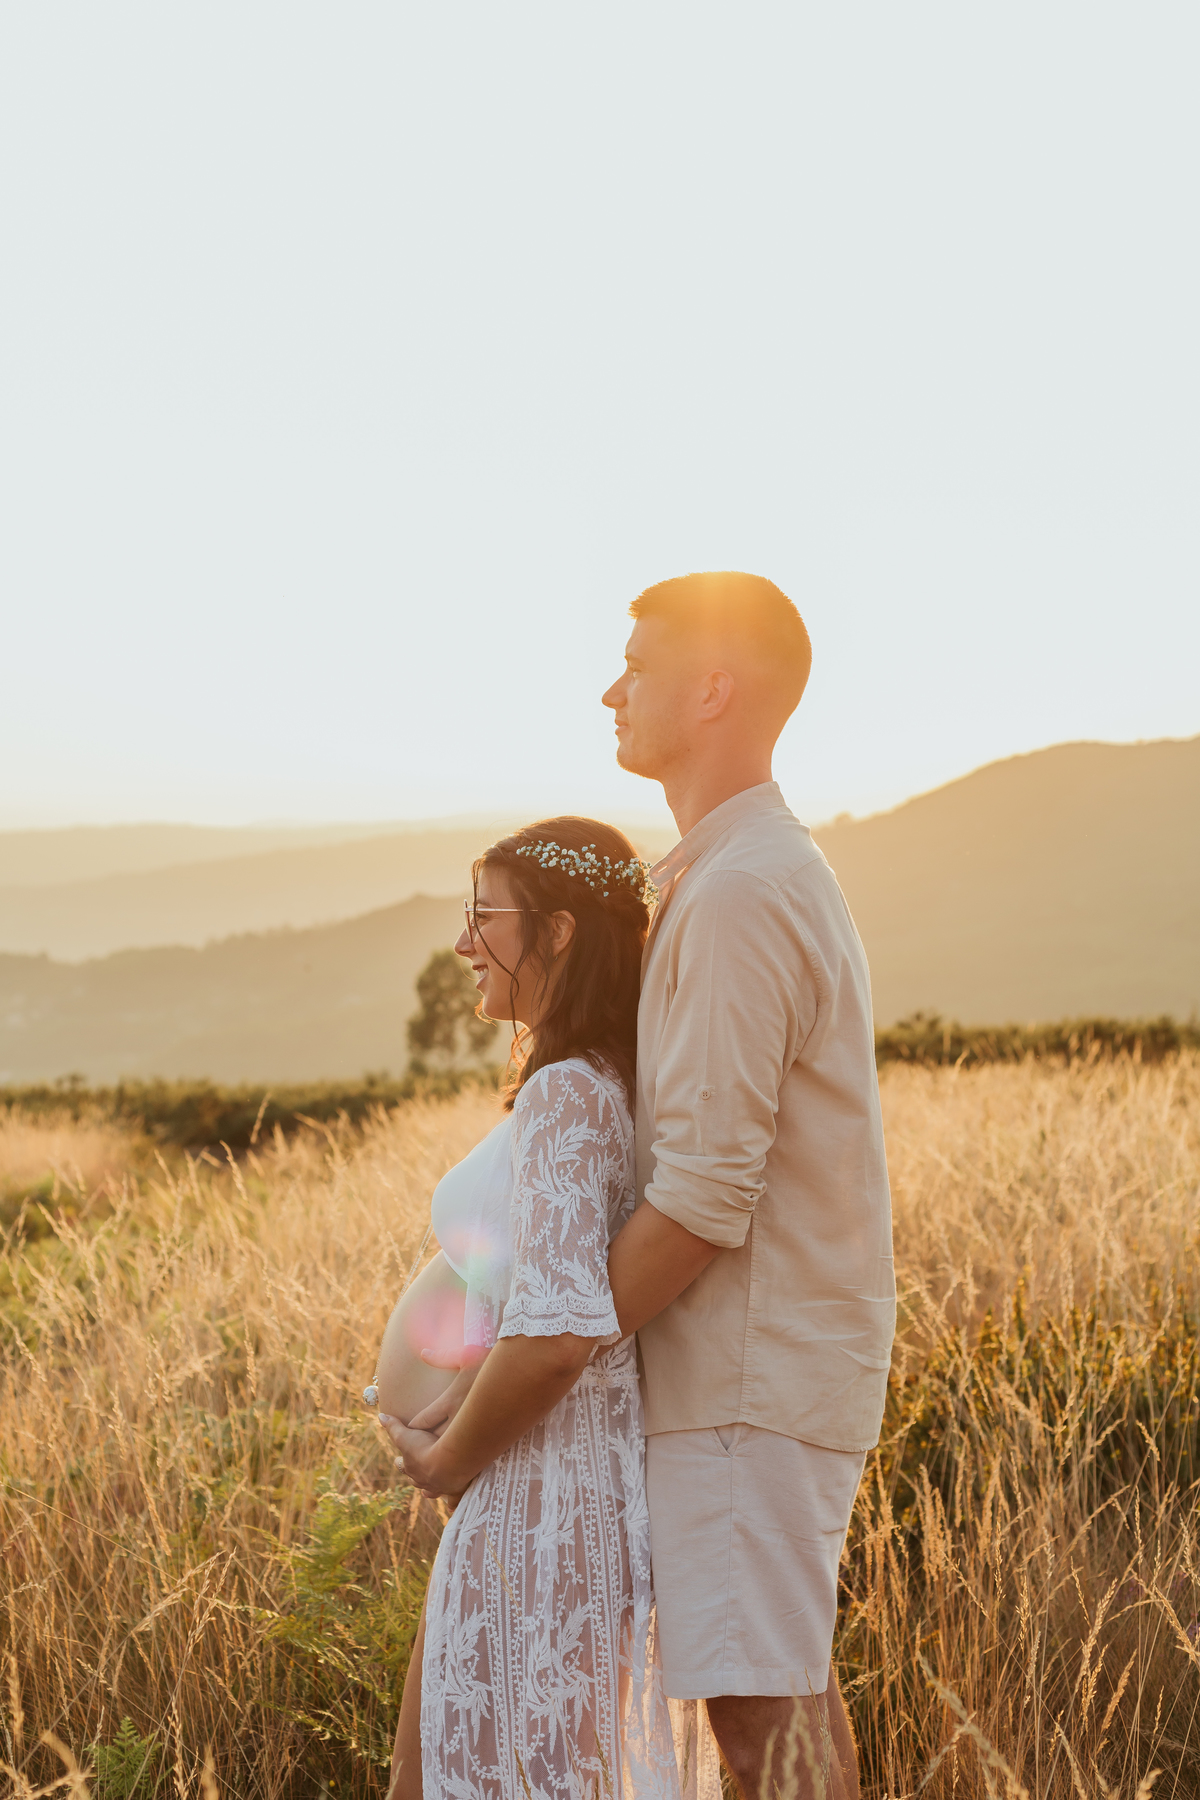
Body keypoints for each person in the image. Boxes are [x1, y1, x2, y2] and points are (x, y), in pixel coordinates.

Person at [599, 572, 897, 1800]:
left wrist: (547, 1353)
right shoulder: (728, 872)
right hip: (749, 1373)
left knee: (761, 1731)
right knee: (775, 1705)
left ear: (713, 688)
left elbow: (707, 1198)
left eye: (638, 662)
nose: (611, 687)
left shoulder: (734, 895)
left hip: (744, 1378)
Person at [378, 817, 687, 1800]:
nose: (465, 942)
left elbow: (555, 1338)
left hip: (535, 1502)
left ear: (555, 933)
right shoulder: (599, 1085)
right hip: (546, 1495)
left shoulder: (566, 1097)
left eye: (484, 916)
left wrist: (447, 1458)